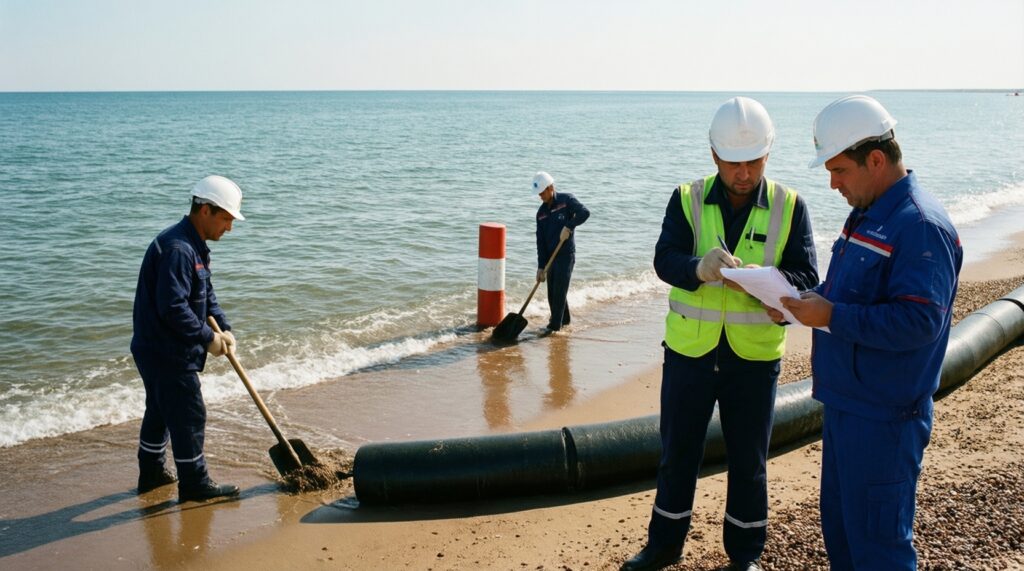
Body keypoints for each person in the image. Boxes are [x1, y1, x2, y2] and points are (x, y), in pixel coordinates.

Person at [622, 97, 819, 571]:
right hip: (690, 352)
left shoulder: (791, 206)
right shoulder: (686, 198)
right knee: (678, 455)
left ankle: (745, 555)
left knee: (749, 462)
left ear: (768, 154)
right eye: (734, 162)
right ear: (714, 156)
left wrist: (774, 286)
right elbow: (664, 259)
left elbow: (807, 277)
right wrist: (698, 267)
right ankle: (664, 547)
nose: (744, 173)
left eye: (753, 161)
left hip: (752, 358)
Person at [778, 95, 962, 569]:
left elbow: (920, 321)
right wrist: (798, 304)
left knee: (880, 549)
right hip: (848, 405)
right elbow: (843, 291)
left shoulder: (919, 226)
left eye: (838, 170)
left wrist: (832, 317)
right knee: (843, 535)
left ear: (875, 160)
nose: (833, 183)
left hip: (886, 418)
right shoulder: (869, 212)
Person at [131, 175, 247, 502]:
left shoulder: (192, 245)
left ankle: (151, 471)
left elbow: (205, 294)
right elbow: (172, 307)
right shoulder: (179, 250)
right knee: (188, 414)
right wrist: (207, 337)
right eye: (226, 218)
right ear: (206, 210)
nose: (230, 227)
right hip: (166, 352)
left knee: (160, 410)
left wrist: (224, 328)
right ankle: (195, 484)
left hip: (154, 347)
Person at [532, 171, 590, 332]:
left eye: (542, 192)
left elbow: (585, 213)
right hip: (551, 257)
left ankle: (554, 328)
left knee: (559, 291)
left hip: (566, 255)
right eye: (538, 194)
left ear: (550, 188)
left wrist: (569, 225)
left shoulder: (566, 200)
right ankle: (565, 320)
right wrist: (541, 266)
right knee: (553, 293)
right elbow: (540, 242)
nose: (540, 196)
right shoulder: (541, 214)